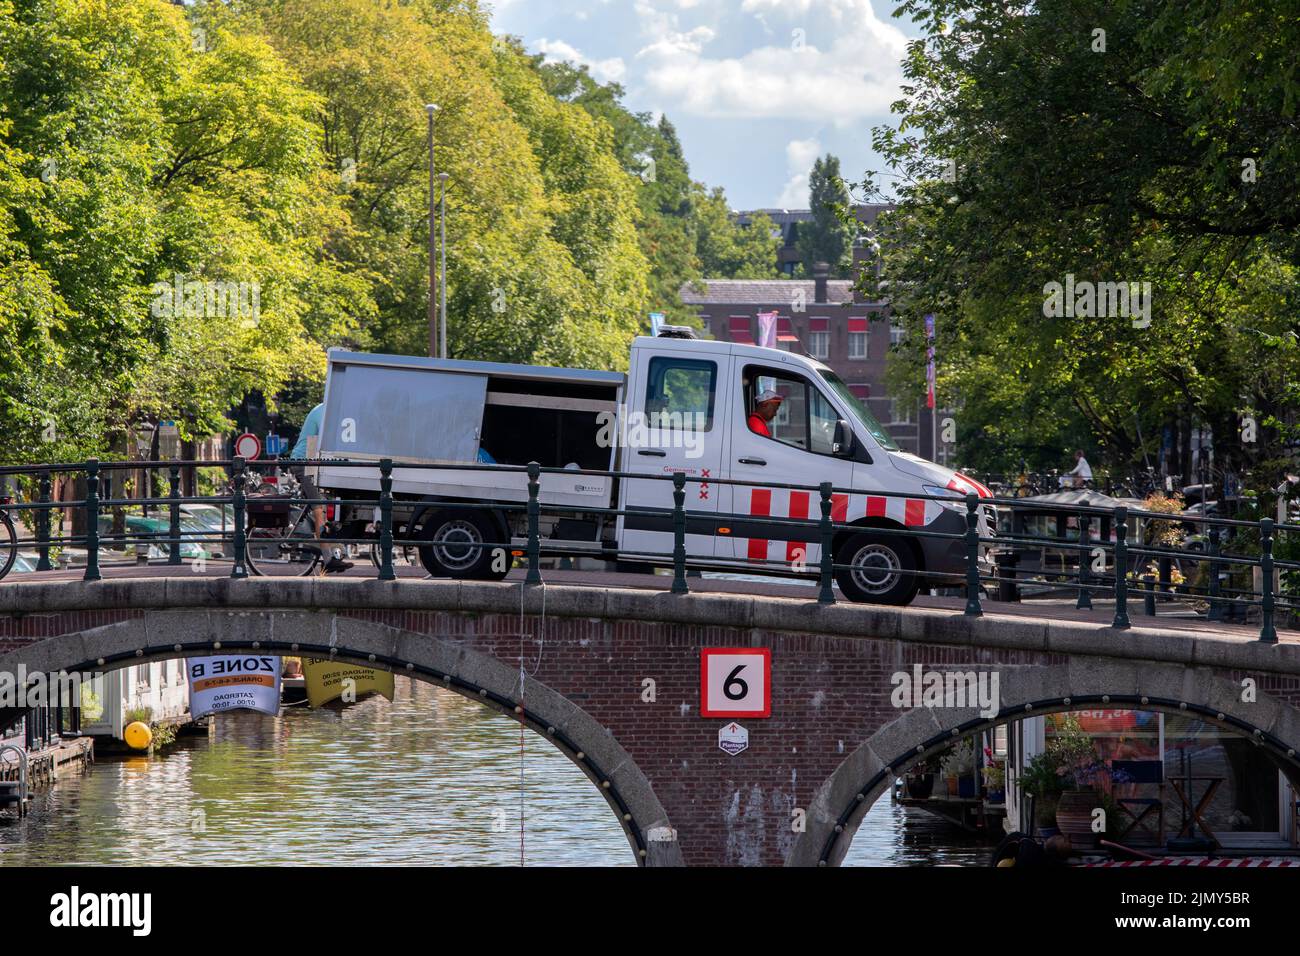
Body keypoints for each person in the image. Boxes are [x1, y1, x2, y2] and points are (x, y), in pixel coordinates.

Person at [289, 402, 351, 574]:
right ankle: (328, 558)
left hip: (313, 461)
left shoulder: (325, 409)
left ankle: (325, 542)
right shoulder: (323, 411)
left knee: (330, 506)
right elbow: (328, 440)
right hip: (303, 461)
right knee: (319, 508)